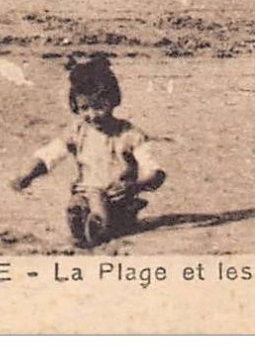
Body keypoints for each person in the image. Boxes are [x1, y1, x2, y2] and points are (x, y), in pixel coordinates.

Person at [12, 54, 165, 249]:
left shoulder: (129, 135)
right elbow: (50, 154)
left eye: (99, 107)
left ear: (114, 100)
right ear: (75, 106)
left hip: (115, 196)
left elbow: (155, 172)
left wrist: (134, 186)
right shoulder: (78, 132)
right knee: (77, 202)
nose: (92, 115)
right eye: (84, 108)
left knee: (98, 202)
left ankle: (98, 228)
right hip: (85, 191)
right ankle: (80, 221)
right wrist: (28, 174)